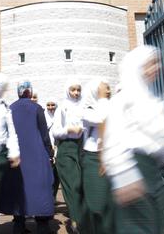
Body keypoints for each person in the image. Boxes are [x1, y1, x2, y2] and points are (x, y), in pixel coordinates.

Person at [102, 46, 164, 233]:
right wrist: (124, 176)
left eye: (157, 63)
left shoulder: (155, 100)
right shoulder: (123, 98)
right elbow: (113, 137)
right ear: (138, 66)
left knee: (156, 226)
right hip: (132, 167)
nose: (156, 68)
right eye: (150, 64)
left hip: (153, 172)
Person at [0, 81, 54, 234]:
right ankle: (42, 226)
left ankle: (18, 225)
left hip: (17, 155)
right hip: (36, 155)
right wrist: (49, 152)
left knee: (19, 189)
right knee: (40, 188)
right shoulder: (36, 108)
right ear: (29, 92)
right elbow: (44, 133)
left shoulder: (10, 108)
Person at [81, 78, 114, 234]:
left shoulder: (113, 105)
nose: (107, 91)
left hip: (115, 156)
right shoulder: (87, 110)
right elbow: (101, 118)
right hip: (94, 158)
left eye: (107, 88)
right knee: (96, 205)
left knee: (113, 205)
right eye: (103, 88)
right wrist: (101, 99)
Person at [52, 78, 85, 234]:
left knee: (83, 186)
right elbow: (55, 131)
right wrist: (69, 130)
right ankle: (75, 221)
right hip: (66, 149)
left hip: (82, 149)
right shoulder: (62, 108)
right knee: (73, 186)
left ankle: (82, 219)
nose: (76, 93)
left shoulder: (85, 106)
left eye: (78, 89)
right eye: (73, 89)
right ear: (68, 90)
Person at [44, 100, 60, 198]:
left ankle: (52, 197)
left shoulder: (59, 116)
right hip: (47, 148)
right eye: (48, 105)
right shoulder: (43, 117)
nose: (50, 107)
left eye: (53, 105)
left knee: (56, 175)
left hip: (58, 147)